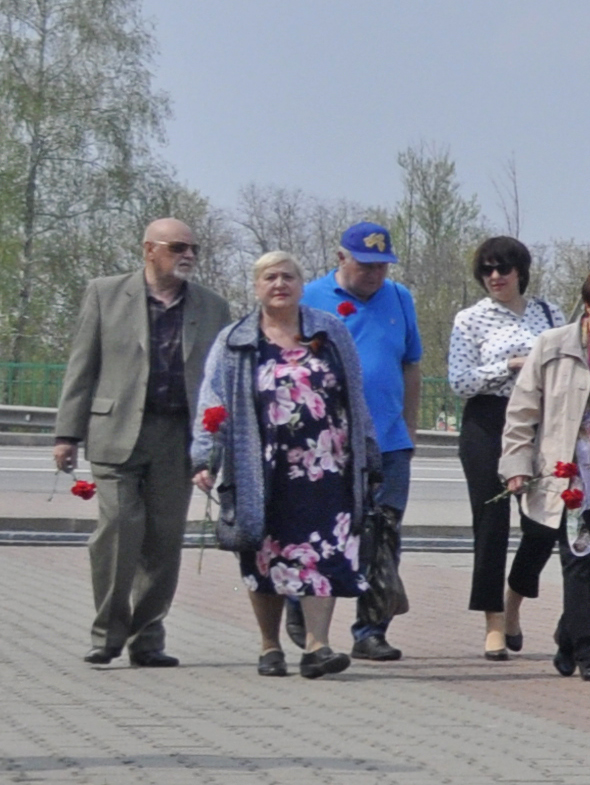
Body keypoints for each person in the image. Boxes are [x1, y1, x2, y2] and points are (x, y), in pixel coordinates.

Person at [52, 218, 232, 668]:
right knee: (119, 530)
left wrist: (216, 445)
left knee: (165, 539)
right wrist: (66, 434)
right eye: (177, 247)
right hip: (116, 431)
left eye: (194, 248)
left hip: (178, 436)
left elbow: (223, 381)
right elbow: (82, 366)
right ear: (149, 250)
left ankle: (148, 638)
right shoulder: (105, 293)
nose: (188, 255)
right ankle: (107, 635)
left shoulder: (212, 307)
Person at [190, 252, 379, 680]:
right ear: (256, 287)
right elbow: (212, 402)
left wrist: (369, 452)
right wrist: (205, 457)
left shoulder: (328, 332)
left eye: (288, 277)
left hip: (326, 464)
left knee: (324, 549)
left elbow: (354, 394)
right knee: (264, 553)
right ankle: (269, 646)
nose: (280, 284)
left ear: (301, 284)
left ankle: (318, 648)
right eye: (270, 277)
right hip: (259, 466)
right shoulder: (236, 340)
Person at [501, 268, 590, 680]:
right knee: (580, 559)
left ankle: (568, 634)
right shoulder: (553, 345)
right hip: (569, 474)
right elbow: (522, 412)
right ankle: (589, 656)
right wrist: (516, 466)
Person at [300, 221, 420, 662]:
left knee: (384, 535)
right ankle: (303, 609)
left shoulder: (400, 298)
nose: (374, 275)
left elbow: (410, 365)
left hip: (388, 441)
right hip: (328, 440)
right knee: (323, 530)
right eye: (366, 265)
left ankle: (371, 628)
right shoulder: (310, 298)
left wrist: (406, 426)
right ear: (341, 258)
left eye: (382, 267)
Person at [449, 235, 566, 659]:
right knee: (491, 522)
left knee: (544, 521)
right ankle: (493, 623)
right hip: (487, 420)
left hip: (539, 420)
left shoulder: (548, 313)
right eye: (487, 270)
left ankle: (514, 600)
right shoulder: (470, 319)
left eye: (503, 268)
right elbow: (460, 381)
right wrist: (510, 365)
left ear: (521, 271)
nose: (495, 277)